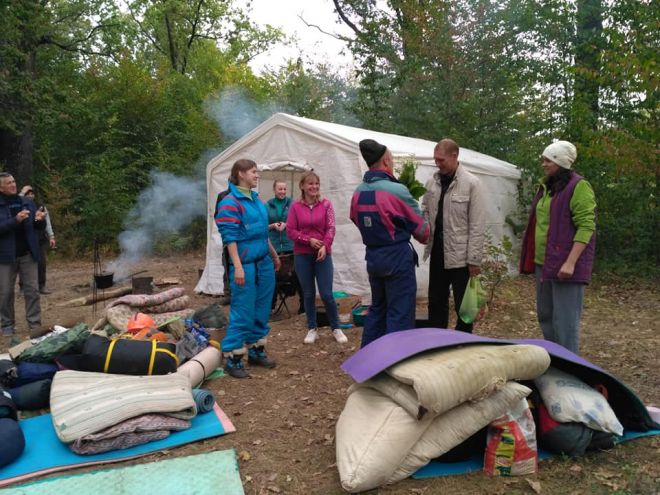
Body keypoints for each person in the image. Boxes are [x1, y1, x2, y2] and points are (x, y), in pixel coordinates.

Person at [350, 139, 430, 347]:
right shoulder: (397, 191)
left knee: (377, 308)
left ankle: (368, 360)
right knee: (400, 312)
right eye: (392, 160)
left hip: (374, 258)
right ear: (385, 161)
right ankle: (395, 362)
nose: (392, 163)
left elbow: (355, 219)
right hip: (397, 258)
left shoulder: (358, 192)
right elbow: (423, 232)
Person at [519, 140, 596, 354]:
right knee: (546, 315)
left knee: (565, 321)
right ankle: (556, 360)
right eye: (544, 160)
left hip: (565, 266)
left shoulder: (578, 186)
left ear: (560, 163)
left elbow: (586, 226)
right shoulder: (548, 187)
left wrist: (571, 262)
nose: (543, 164)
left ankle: (571, 367)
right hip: (543, 263)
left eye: (548, 160)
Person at [214, 159, 281, 378]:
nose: (257, 175)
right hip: (245, 265)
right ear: (241, 173)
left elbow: (262, 232)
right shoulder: (230, 202)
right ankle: (233, 358)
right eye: (253, 171)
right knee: (243, 310)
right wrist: (238, 267)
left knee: (262, 308)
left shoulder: (255, 199)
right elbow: (229, 237)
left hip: (264, 262)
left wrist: (272, 253)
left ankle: (256, 350)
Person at [421, 138, 486, 333]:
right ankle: (436, 340)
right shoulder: (432, 182)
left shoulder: (472, 184)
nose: (437, 163)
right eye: (435, 159)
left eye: (441, 160)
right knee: (436, 302)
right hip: (438, 251)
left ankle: (462, 342)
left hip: (461, 257)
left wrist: (474, 260)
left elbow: (477, 224)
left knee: (463, 306)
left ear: (454, 156)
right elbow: (424, 211)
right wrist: (421, 231)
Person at [286, 171, 348, 345]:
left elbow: (331, 228)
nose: (314, 187)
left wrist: (324, 246)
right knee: (308, 293)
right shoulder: (295, 207)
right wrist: (308, 240)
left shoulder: (326, 204)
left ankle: (336, 327)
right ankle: (312, 328)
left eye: (316, 184)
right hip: (302, 255)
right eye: (310, 184)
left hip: (323, 255)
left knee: (327, 293)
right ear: (302, 186)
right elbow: (291, 231)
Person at [0, 173, 46, 337]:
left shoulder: (27, 201)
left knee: (32, 290)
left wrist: (40, 220)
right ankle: (7, 325)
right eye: (9, 183)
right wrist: (15, 221)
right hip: (6, 257)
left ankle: (34, 324)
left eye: (13, 181)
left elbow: (38, 226)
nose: (13, 185)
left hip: (28, 254)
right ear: (1, 188)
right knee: (5, 293)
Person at [266, 180, 304, 313]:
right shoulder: (268, 205)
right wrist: (272, 226)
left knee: (298, 275)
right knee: (272, 277)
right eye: (280, 189)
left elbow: (300, 222)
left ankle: (303, 305)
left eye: (284, 189)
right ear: (274, 190)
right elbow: (262, 227)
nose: (282, 192)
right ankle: (270, 306)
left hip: (291, 246)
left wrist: (287, 225)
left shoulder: (293, 204)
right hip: (274, 248)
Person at [20, 186, 56, 294]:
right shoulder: (20, 205)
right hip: (25, 240)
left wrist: (51, 236)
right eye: (28, 194)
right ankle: (23, 287)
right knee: (24, 264)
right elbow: (16, 200)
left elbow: (47, 222)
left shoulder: (40, 206)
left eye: (32, 193)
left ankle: (42, 285)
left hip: (39, 239)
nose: (30, 196)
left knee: (41, 264)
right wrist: (22, 193)